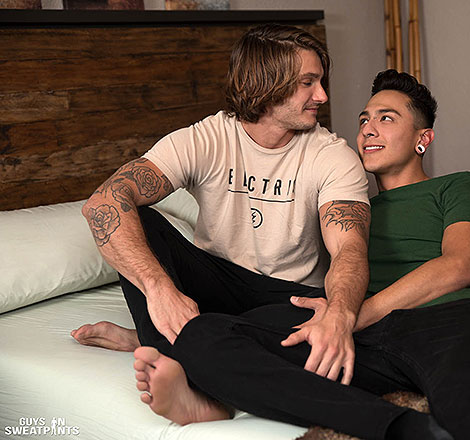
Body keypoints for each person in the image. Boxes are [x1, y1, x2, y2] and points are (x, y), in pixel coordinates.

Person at [76, 68, 470, 439]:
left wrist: (348, 316)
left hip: (450, 320)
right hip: (363, 339)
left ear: (423, 138)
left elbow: (459, 266)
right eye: (364, 119)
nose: (368, 129)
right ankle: (402, 430)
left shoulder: (458, 186)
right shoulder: (345, 204)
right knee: (203, 337)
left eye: (387, 118)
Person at [74, 23, 372, 419]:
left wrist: (340, 314)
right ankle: (176, 368)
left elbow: (350, 248)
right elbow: (102, 202)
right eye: (307, 83)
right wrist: (159, 290)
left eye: (320, 81)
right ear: (265, 83)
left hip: (289, 298)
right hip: (217, 284)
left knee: (293, 329)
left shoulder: (333, 156)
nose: (322, 96)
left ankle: (162, 345)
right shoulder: (207, 139)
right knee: (135, 220)